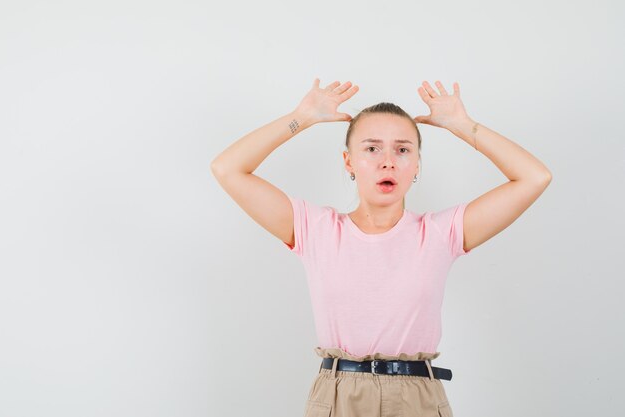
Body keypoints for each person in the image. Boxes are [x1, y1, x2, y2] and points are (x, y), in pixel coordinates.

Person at [211, 78, 552, 417]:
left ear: (416, 165)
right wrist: (304, 116)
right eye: (372, 149)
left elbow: (534, 177)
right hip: (338, 394)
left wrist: (462, 126)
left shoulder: (439, 233)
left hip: (417, 396)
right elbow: (227, 169)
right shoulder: (315, 230)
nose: (387, 161)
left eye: (402, 150)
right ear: (349, 162)